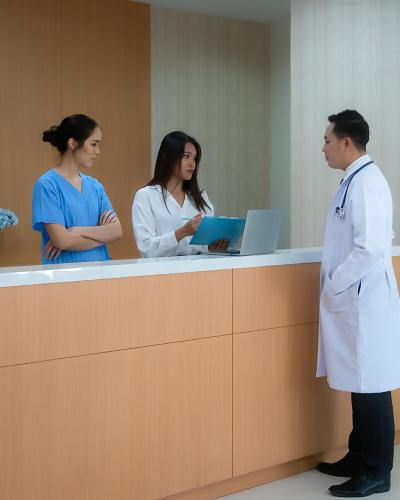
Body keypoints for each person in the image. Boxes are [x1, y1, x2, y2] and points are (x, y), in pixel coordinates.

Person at [316, 109, 400, 497]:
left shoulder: (365, 183)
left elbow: (368, 248)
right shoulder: (355, 180)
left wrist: (335, 286)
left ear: (347, 143)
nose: (324, 148)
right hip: (357, 300)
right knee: (360, 384)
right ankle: (357, 456)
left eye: (328, 141)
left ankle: (378, 472)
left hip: (363, 300)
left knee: (372, 388)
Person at [32, 114, 122, 264]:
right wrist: (102, 235)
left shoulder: (95, 186)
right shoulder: (47, 185)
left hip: (101, 275)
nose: (98, 151)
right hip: (64, 277)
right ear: (73, 143)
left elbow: (117, 232)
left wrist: (76, 231)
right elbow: (63, 241)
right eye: (93, 144)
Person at [132, 131, 228, 257]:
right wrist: (182, 232)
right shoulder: (145, 196)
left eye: (195, 158)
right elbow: (147, 248)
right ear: (167, 157)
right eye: (186, 156)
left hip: (202, 271)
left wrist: (212, 247)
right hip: (163, 273)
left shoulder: (201, 197)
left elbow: (204, 247)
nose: (192, 163)